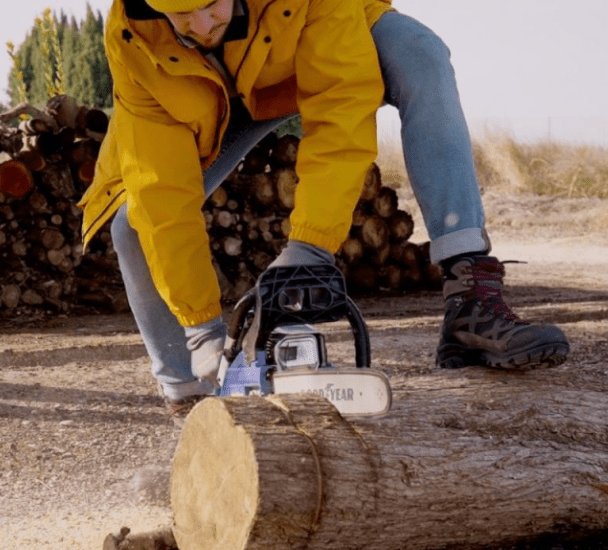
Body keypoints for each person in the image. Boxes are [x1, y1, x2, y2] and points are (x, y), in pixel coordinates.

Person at [79, 0, 569, 421]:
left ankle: (471, 296)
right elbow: (160, 190)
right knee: (132, 224)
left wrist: (310, 245)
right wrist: (202, 329)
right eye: (182, 15)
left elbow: (340, 108)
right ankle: (190, 398)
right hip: (215, 95)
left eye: (212, 6)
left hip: (314, 41)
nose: (203, 27)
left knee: (420, 55)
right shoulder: (133, 33)